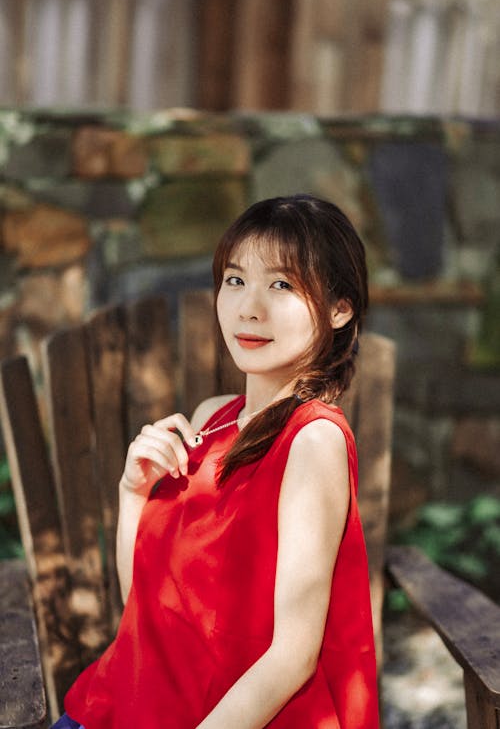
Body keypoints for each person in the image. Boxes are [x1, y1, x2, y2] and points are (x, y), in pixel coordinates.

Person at [53, 194, 379, 729]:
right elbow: (147, 610)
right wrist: (132, 493)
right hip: (128, 702)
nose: (249, 307)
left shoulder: (312, 440)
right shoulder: (211, 418)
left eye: (282, 284)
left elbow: (291, 658)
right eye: (234, 280)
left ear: (340, 308)